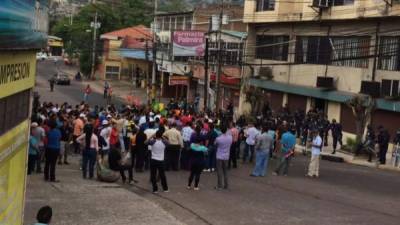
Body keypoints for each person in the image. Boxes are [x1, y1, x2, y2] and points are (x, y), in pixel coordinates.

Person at [214, 125, 232, 190]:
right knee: (225, 171)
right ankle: (226, 185)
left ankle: (219, 186)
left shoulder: (218, 138)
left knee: (219, 171)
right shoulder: (230, 137)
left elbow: (215, 144)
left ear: (221, 130)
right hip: (226, 156)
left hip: (219, 156)